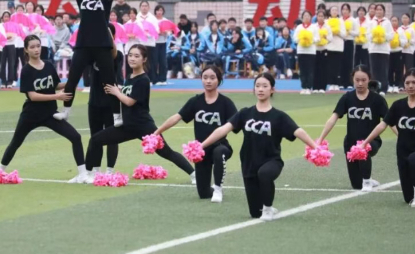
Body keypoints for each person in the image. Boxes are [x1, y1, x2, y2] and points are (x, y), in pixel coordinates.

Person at [200, 73, 318, 221]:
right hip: (249, 163)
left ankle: (268, 209)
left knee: (265, 174)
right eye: (257, 86)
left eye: (264, 86)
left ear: (272, 89)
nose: (260, 89)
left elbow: (298, 131)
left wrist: (316, 147)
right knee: (255, 213)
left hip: (271, 160)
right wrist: (201, 145)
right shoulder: (245, 113)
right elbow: (223, 129)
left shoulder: (279, 116)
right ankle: (265, 208)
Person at [85, 44, 196, 183]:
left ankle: (194, 174)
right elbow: (127, 93)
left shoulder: (143, 80)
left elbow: (130, 101)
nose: (132, 58)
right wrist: (119, 88)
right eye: (130, 55)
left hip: (143, 126)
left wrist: (116, 92)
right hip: (127, 126)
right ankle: (87, 173)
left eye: (136, 56)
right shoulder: (130, 77)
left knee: (166, 152)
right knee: (95, 140)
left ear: (144, 59)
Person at [0, 35, 88, 183]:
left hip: (50, 113)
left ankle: (83, 174)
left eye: (38, 46)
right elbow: (32, 96)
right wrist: (57, 96)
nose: (36, 49)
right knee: (16, 142)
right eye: (32, 47)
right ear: (26, 50)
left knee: (75, 137)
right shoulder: (26, 70)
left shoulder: (49, 65)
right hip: (31, 114)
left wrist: (72, 81)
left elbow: (56, 85)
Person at [52, 0, 127, 124]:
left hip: (102, 45)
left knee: (110, 82)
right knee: (72, 79)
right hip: (83, 45)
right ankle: (66, 111)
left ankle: (117, 116)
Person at [155, 66, 237, 202]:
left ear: (219, 80)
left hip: (220, 146)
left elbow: (235, 124)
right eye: (205, 78)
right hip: (200, 151)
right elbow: (177, 117)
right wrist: (157, 132)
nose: (208, 81)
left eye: (212, 78)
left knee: (218, 153)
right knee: (203, 193)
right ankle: (211, 190)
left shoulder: (226, 103)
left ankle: (218, 189)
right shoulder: (196, 101)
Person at [318, 65, 388, 191]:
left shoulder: (378, 99)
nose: (360, 83)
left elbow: (389, 121)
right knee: (356, 185)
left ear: (369, 79)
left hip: (371, 142)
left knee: (364, 148)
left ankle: (367, 181)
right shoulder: (347, 98)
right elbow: (333, 118)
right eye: (357, 80)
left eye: (363, 80)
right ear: (353, 79)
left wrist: (401, 136)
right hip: (351, 143)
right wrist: (320, 139)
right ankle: (366, 179)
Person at [361, 68, 415, 206]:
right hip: (402, 150)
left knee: (413, 160)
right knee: (408, 198)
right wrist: (365, 142)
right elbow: (383, 124)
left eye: (414, 83)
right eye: (407, 83)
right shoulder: (398, 105)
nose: (410, 86)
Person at [85, 24, 121, 174]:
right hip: (94, 102)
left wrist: (105, 32)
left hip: (111, 103)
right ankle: (96, 170)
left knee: (112, 137)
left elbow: (113, 52)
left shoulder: (117, 55)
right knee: (95, 137)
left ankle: (110, 171)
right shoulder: (92, 55)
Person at [367, 4, 393, 95]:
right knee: (374, 70)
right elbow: (368, 35)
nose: (378, 11)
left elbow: (391, 35)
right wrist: (374, 36)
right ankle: (374, 89)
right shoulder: (371, 22)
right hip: (373, 49)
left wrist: (383, 35)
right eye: (377, 9)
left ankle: (383, 89)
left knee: (383, 70)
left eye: (380, 9)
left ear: (384, 11)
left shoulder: (387, 22)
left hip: (384, 50)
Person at [138, 1, 160, 84]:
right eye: (142, 6)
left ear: (149, 7)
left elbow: (157, 30)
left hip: (150, 43)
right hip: (141, 43)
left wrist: (149, 33)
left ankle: (152, 79)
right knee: (142, 62)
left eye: (146, 6)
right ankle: (143, 79)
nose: (144, 7)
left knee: (151, 62)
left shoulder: (152, 18)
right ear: (140, 7)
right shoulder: (137, 17)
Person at [326, 5, 347, 91]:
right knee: (330, 66)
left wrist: (337, 32)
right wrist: (331, 32)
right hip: (329, 46)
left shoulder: (341, 21)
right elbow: (325, 33)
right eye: (333, 10)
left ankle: (337, 83)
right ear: (330, 12)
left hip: (338, 47)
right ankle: (331, 83)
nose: (334, 12)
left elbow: (344, 35)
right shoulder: (326, 21)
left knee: (337, 66)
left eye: (336, 10)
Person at [340, 3, 359, 89]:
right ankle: (341, 82)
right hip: (340, 42)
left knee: (349, 62)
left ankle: (349, 82)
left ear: (349, 11)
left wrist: (349, 31)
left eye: (346, 9)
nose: (345, 11)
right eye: (343, 9)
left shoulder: (353, 20)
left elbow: (357, 32)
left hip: (349, 42)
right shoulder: (339, 20)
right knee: (341, 63)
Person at [313, 9, 332, 94]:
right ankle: (315, 87)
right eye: (319, 16)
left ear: (325, 17)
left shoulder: (327, 27)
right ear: (317, 17)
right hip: (315, 50)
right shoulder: (314, 26)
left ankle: (322, 87)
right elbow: (312, 37)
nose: (320, 18)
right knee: (315, 69)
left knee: (323, 69)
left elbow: (331, 38)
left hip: (324, 49)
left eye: (322, 16)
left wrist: (325, 37)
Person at [389, 16, 407, 94]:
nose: (394, 22)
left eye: (395, 21)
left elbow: (405, 41)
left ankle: (396, 85)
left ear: (398, 21)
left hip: (398, 51)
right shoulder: (388, 30)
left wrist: (398, 41)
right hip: (389, 52)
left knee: (398, 69)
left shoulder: (400, 31)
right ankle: (390, 85)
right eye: (392, 21)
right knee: (389, 69)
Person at [0, 11, 17, 88]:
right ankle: (3, 81)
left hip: (11, 45)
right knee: (2, 64)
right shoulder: (0, 26)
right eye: (5, 16)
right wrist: (6, 37)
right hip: (2, 46)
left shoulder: (13, 26)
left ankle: (10, 81)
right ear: (2, 18)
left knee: (11, 64)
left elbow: (14, 36)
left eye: (7, 16)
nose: (6, 18)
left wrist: (6, 37)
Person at [154, 5, 170, 86]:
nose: (159, 12)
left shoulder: (165, 20)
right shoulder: (153, 20)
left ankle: (163, 78)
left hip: (163, 43)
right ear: (155, 11)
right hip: (154, 43)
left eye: (161, 10)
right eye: (158, 10)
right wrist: (158, 32)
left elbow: (169, 32)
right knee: (155, 61)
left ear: (163, 12)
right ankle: (155, 79)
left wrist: (165, 32)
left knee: (163, 61)